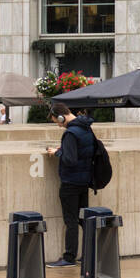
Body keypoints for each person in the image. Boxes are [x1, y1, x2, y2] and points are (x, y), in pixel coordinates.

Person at [45, 102, 96, 268]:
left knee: (71, 221)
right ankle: (89, 254)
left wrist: (58, 151)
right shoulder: (86, 128)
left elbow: (70, 160)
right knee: (83, 219)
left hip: (70, 182)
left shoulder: (70, 133)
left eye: (57, 122)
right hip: (84, 180)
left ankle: (69, 257)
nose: (59, 126)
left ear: (61, 116)